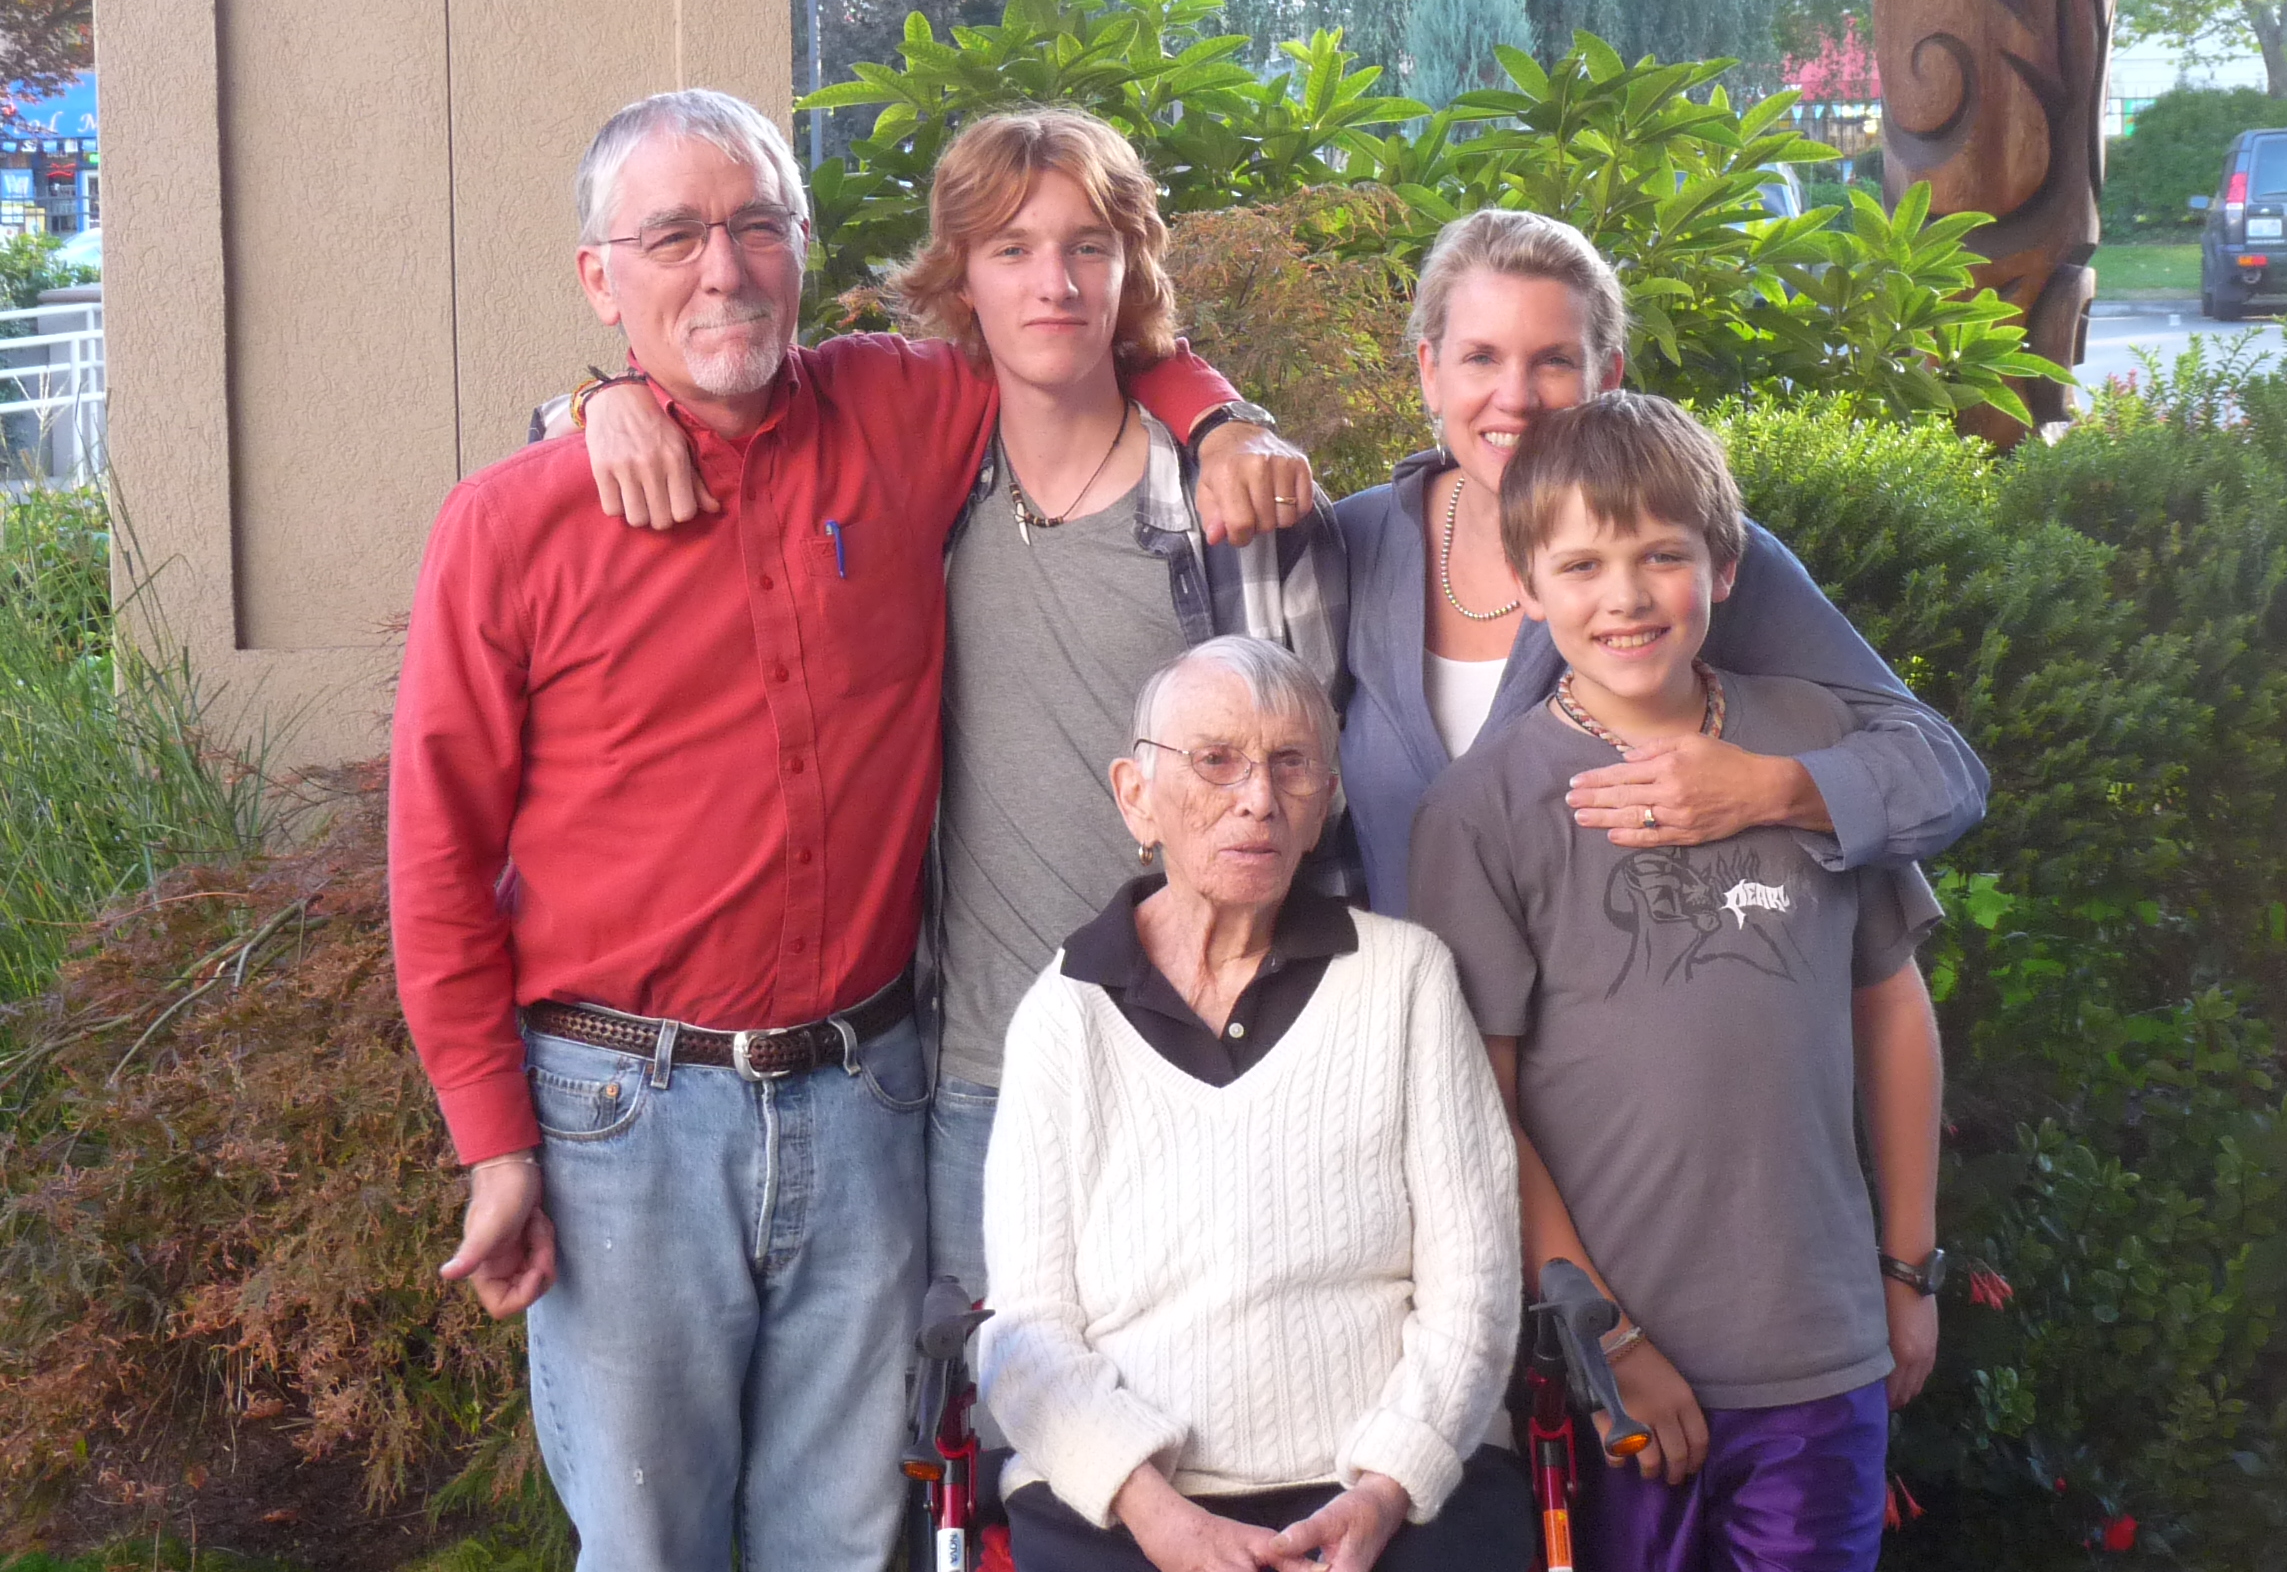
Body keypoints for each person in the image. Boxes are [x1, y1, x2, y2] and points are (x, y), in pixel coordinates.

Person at [388, 88, 1301, 1572]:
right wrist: (494, 1145)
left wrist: (1217, 411)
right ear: (598, 277)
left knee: (851, 1537)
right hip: (625, 1122)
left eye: (757, 227)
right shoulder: (511, 526)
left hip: (870, 1101)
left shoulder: (900, 410)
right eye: (673, 238)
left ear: (803, 247)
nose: (723, 268)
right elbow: (435, 861)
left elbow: (1075, 323)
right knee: (651, 1542)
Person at [571, 106, 1347, 1306]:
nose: (1054, 284)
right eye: (1011, 250)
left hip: (1207, 1055)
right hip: (983, 1073)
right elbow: (705, 390)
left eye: (1087, 247)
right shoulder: (922, 467)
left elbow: (1324, 808)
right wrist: (603, 395)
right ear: (960, 278)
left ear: (1130, 267)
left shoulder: (1234, 513)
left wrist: (1221, 415)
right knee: (989, 1411)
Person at [1407, 393, 1945, 1572]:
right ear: (1527, 585)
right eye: (1582, 565)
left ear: (1726, 566)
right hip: (1614, 1376)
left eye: (1662, 555)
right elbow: (1475, 1108)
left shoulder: (1815, 742)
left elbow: (1891, 1004)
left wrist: (1910, 1266)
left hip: (1817, 1345)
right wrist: (1605, 1334)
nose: (1627, 596)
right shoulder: (1482, 811)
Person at [982, 636, 1529, 1572]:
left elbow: (1473, 1289)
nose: (1259, 799)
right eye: (1217, 761)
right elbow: (1026, 1331)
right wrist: (1159, 1518)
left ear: (1325, 805)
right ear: (1136, 796)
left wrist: (1386, 1488)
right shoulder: (1064, 1015)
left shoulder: (1405, 980)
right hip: (1128, 1505)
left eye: (1291, 766)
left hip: (1389, 1486)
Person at [1336, 207, 1987, 920]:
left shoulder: (1687, 561)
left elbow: (1940, 770)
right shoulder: (1356, 541)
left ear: (1608, 377)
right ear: (1431, 372)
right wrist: (1240, 427)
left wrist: (1770, 789)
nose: (1515, 398)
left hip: (1608, 991)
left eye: (1554, 361)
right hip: (1395, 990)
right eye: (1481, 358)